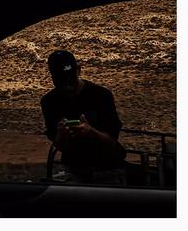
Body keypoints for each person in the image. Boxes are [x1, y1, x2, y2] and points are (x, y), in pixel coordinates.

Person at [40, 50, 126, 184]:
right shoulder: (49, 102)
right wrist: (62, 135)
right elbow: (59, 145)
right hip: (75, 168)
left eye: (70, 80)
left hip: (108, 167)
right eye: (61, 82)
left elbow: (112, 141)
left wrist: (91, 132)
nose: (67, 87)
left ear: (79, 70)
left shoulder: (101, 96)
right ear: (52, 77)